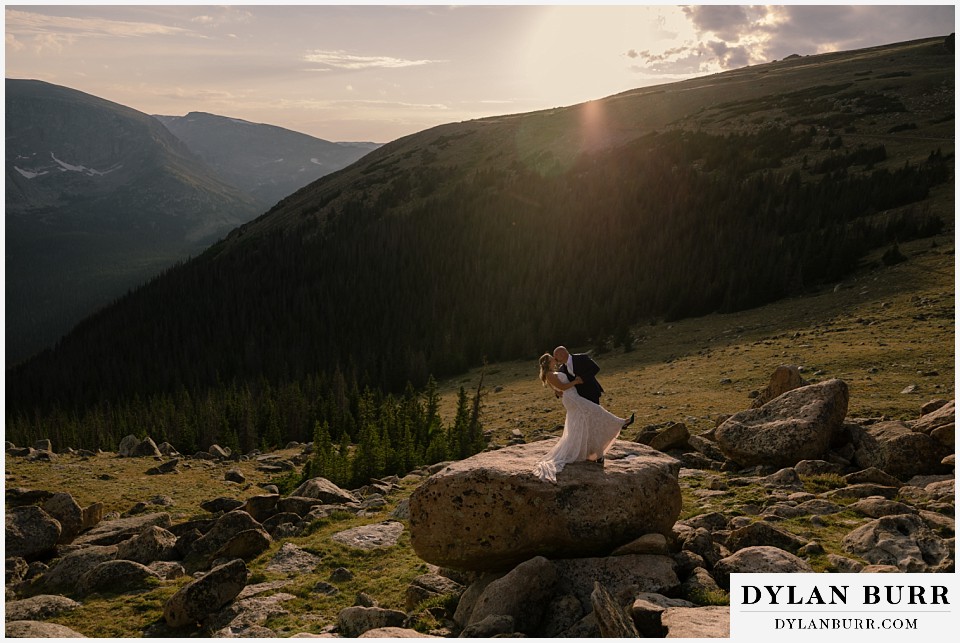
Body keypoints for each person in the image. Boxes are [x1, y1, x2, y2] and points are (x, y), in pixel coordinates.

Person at [532, 352, 635, 483]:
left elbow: (558, 389)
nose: (555, 359)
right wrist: (575, 381)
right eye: (552, 359)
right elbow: (562, 386)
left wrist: (559, 390)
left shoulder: (555, 371)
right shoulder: (550, 374)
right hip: (573, 399)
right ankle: (621, 423)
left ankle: (592, 452)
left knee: (582, 422)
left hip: (573, 397)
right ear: (548, 362)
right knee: (596, 410)